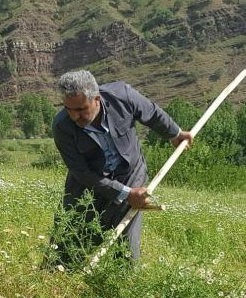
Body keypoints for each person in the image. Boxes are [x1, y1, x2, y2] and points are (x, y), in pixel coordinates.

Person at [47, 70, 193, 268]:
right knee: (69, 237)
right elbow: (81, 172)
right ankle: (56, 278)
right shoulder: (62, 126)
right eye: (69, 109)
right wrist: (124, 193)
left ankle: (123, 282)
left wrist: (175, 133)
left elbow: (152, 113)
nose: (75, 116)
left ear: (96, 99)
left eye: (81, 109)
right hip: (89, 181)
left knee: (125, 241)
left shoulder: (122, 96)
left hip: (130, 173)